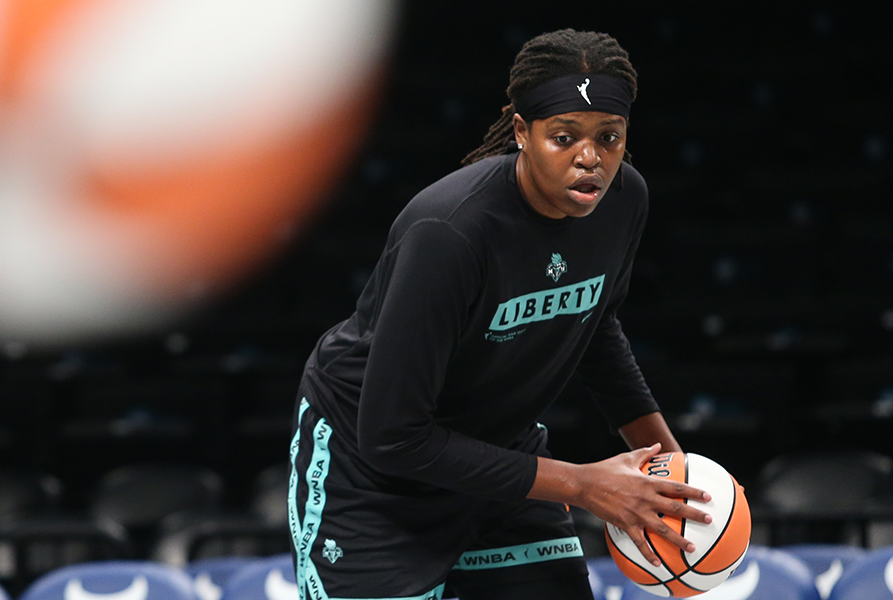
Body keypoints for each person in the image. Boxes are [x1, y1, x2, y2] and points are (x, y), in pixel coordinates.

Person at [286, 29, 713, 600]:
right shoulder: (449, 233)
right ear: (521, 133)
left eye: (608, 138)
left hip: (500, 458)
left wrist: (672, 471)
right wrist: (584, 485)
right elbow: (393, 435)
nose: (591, 158)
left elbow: (593, 325)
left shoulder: (624, 200)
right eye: (564, 137)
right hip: (373, 478)